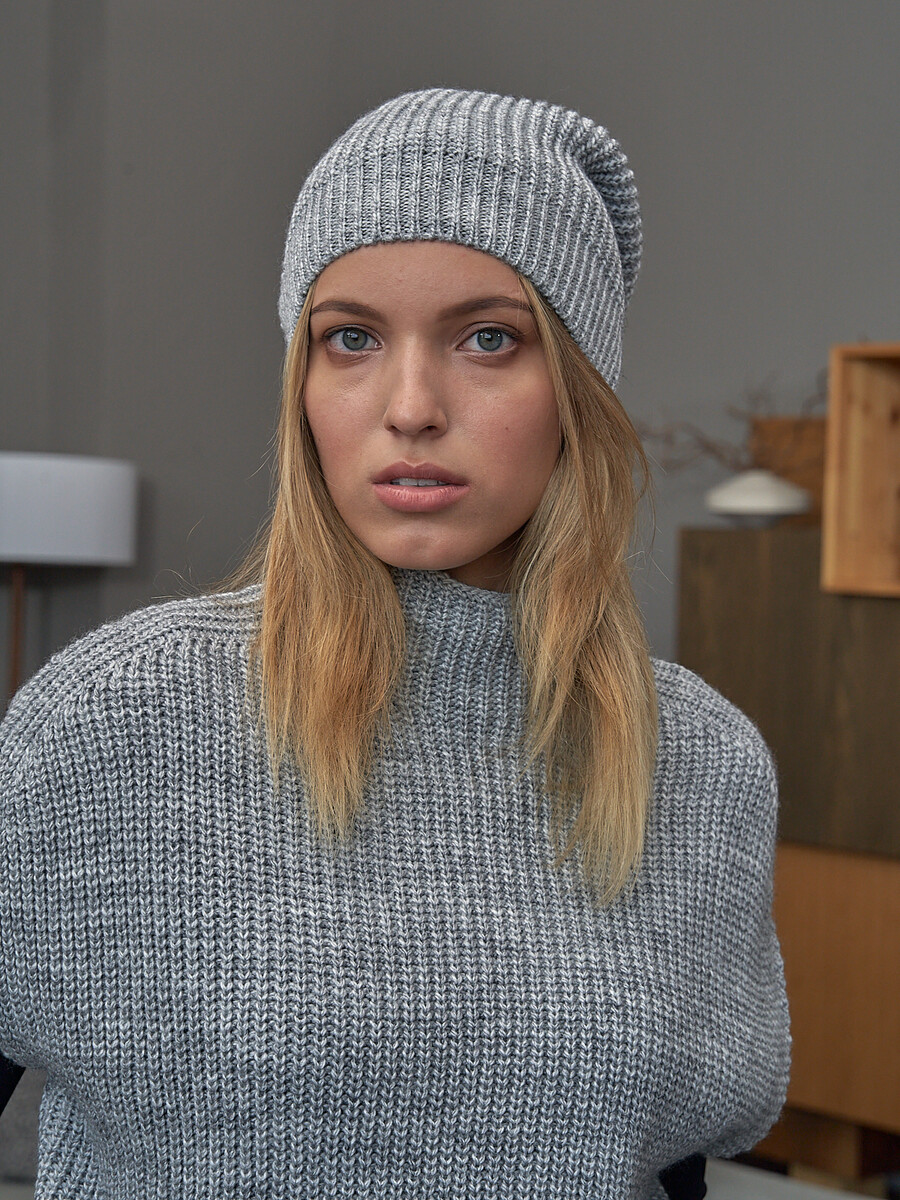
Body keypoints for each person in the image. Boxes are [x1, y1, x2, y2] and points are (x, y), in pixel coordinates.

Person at [0, 87, 790, 1198]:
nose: (410, 405)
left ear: (577, 390)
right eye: (352, 339)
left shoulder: (701, 764)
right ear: (304, 383)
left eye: (488, 338)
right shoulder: (110, 722)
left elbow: (666, 1173)